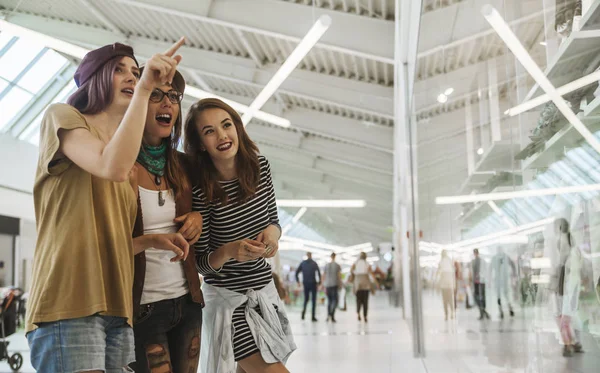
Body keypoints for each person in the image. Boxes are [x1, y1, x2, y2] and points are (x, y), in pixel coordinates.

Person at [25, 39, 185, 372]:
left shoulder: (126, 160)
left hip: (117, 309)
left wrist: (151, 241)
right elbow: (106, 165)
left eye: (136, 72)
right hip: (68, 303)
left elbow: (110, 243)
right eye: (119, 70)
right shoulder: (63, 117)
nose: (132, 77)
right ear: (94, 79)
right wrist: (143, 90)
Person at [185, 98, 296, 373]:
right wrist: (229, 251)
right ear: (200, 143)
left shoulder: (260, 167)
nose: (222, 135)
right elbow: (200, 263)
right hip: (229, 306)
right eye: (209, 131)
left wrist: (272, 237)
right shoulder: (202, 189)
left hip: (265, 299)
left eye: (226, 125)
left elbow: (273, 221)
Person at [129, 69, 205, 372]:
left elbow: (207, 212)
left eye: (173, 96)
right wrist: (150, 240)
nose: (167, 103)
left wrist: (198, 216)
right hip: (142, 308)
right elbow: (103, 247)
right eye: (156, 95)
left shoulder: (184, 166)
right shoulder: (119, 166)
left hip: (188, 302)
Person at [296, 252, 322, 322]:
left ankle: (303, 314)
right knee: (313, 300)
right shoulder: (314, 263)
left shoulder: (303, 263)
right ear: (311, 256)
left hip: (306, 283)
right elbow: (319, 273)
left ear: (307, 256)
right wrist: (319, 283)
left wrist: (298, 281)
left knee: (306, 299)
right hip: (313, 283)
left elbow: (297, 272)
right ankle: (313, 317)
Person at [490, 247, 515, 319]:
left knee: (506, 295)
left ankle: (510, 309)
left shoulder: (506, 257)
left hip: (504, 280)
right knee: (498, 297)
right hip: (498, 280)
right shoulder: (494, 258)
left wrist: (513, 274)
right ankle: (501, 311)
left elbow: (512, 265)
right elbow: (490, 269)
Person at [351, 252, 374, 322]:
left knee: (358, 300)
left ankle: (358, 313)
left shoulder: (355, 263)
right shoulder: (367, 264)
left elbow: (351, 270)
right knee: (365, 301)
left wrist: (354, 276)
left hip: (358, 284)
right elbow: (371, 274)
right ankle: (365, 316)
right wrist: (375, 283)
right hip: (366, 285)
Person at [436, 250, 455, 321]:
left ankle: (447, 314)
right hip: (449, 285)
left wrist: (437, 285)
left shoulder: (441, 262)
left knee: (445, 300)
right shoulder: (449, 261)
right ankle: (452, 313)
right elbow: (453, 273)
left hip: (444, 285)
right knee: (450, 299)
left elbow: (438, 274)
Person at [471, 249, 490, 320]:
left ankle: (483, 312)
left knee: (481, 297)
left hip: (481, 282)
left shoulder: (480, 261)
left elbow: (483, 271)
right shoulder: (474, 261)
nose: (475, 254)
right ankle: (483, 312)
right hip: (477, 282)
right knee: (478, 297)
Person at [323, 253, 342, 322]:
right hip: (334, 285)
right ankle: (332, 314)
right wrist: (340, 284)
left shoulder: (326, 265)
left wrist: (323, 284)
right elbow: (339, 276)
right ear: (335, 257)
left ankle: (328, 315)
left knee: (329, 301)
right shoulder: (337, 265)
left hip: (327, 285)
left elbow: (324, 275)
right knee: (335, 300)